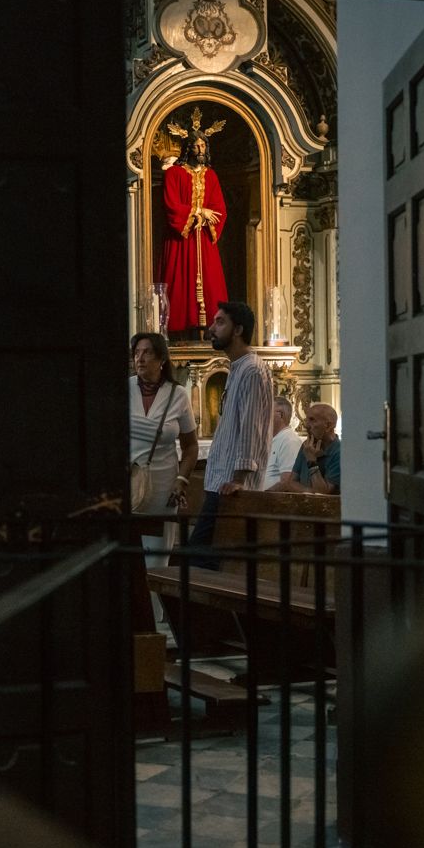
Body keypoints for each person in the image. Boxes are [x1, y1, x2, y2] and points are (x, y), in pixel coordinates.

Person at [188, 300, 273, 565]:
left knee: (198, 560)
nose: (211, 328)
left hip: (232, 486)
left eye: (220, 322)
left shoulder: (252, 370)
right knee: (202, 562)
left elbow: (251, 426)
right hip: (222, 483)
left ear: (238, 330)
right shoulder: (238, 367)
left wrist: (239, 478)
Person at [160, 106, 231, 334]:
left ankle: (212, 330)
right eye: (196, 146)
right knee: (180, 283)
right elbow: (171, 205)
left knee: (210, 284)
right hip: (181, 240)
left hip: (203, 238)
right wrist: (199, 212)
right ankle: (179, 330)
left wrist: (208, 217)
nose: (200, 149)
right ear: (188, 148)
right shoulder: (174, 174)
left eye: (203, 146)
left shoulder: (211, 175)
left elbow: (219, 209)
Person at [129, 331, 199, 517]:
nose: (140, 358)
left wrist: (181, 480)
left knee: (160, 535)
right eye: (137, 353)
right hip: (129, 480)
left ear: (161, 359)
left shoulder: (177, 394)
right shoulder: (124, 389)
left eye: (147, 352)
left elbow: (191, 446)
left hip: (163, 484)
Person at [276, 402, 342, 495]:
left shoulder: (340, 452)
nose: (306, 425)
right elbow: (291, 483)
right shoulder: (306, 446)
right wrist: (312, 492)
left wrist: (312, 462)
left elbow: (323, 494)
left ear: (328, 426)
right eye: (306, 420)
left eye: (312, 420)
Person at [262, 395, 303, 490]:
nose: (262, 416)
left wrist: (262, 495)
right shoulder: (271, 439)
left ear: (281, 415)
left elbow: (287, 481)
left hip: (271, 498)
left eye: (266, 412)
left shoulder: (290, 441)